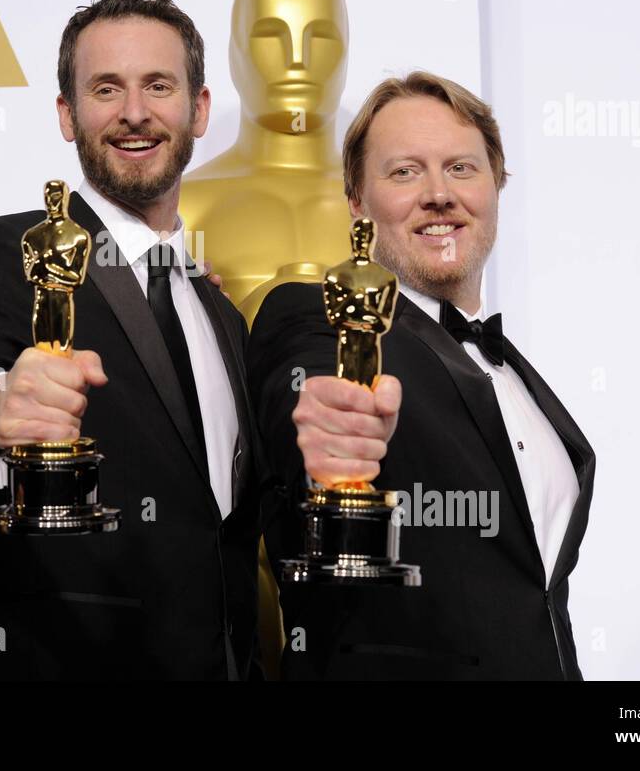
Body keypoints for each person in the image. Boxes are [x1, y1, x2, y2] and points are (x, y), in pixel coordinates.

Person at [0, 0, 265, 679]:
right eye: (106, 88)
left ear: (199, 111)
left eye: (159, 86)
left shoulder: (221, 316)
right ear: (66, 114)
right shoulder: (7, 250)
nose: (134, 113)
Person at [250, 71, 596, 679]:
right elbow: (306, 390)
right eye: (404, 172)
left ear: (497, 185)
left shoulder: (510, 369)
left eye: (461, 168)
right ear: (356, 200)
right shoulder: (322, 316)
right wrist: (328, 429)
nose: (438, 194)